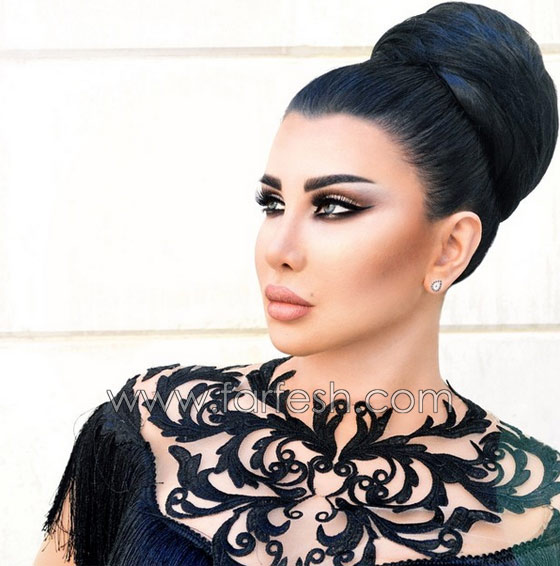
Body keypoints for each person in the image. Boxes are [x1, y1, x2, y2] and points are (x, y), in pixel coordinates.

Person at [35, 2, 560, 565]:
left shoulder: (537, 519)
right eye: (273, 203)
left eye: (334, 206)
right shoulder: (149, 429)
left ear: (450, 247)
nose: (278, 250)